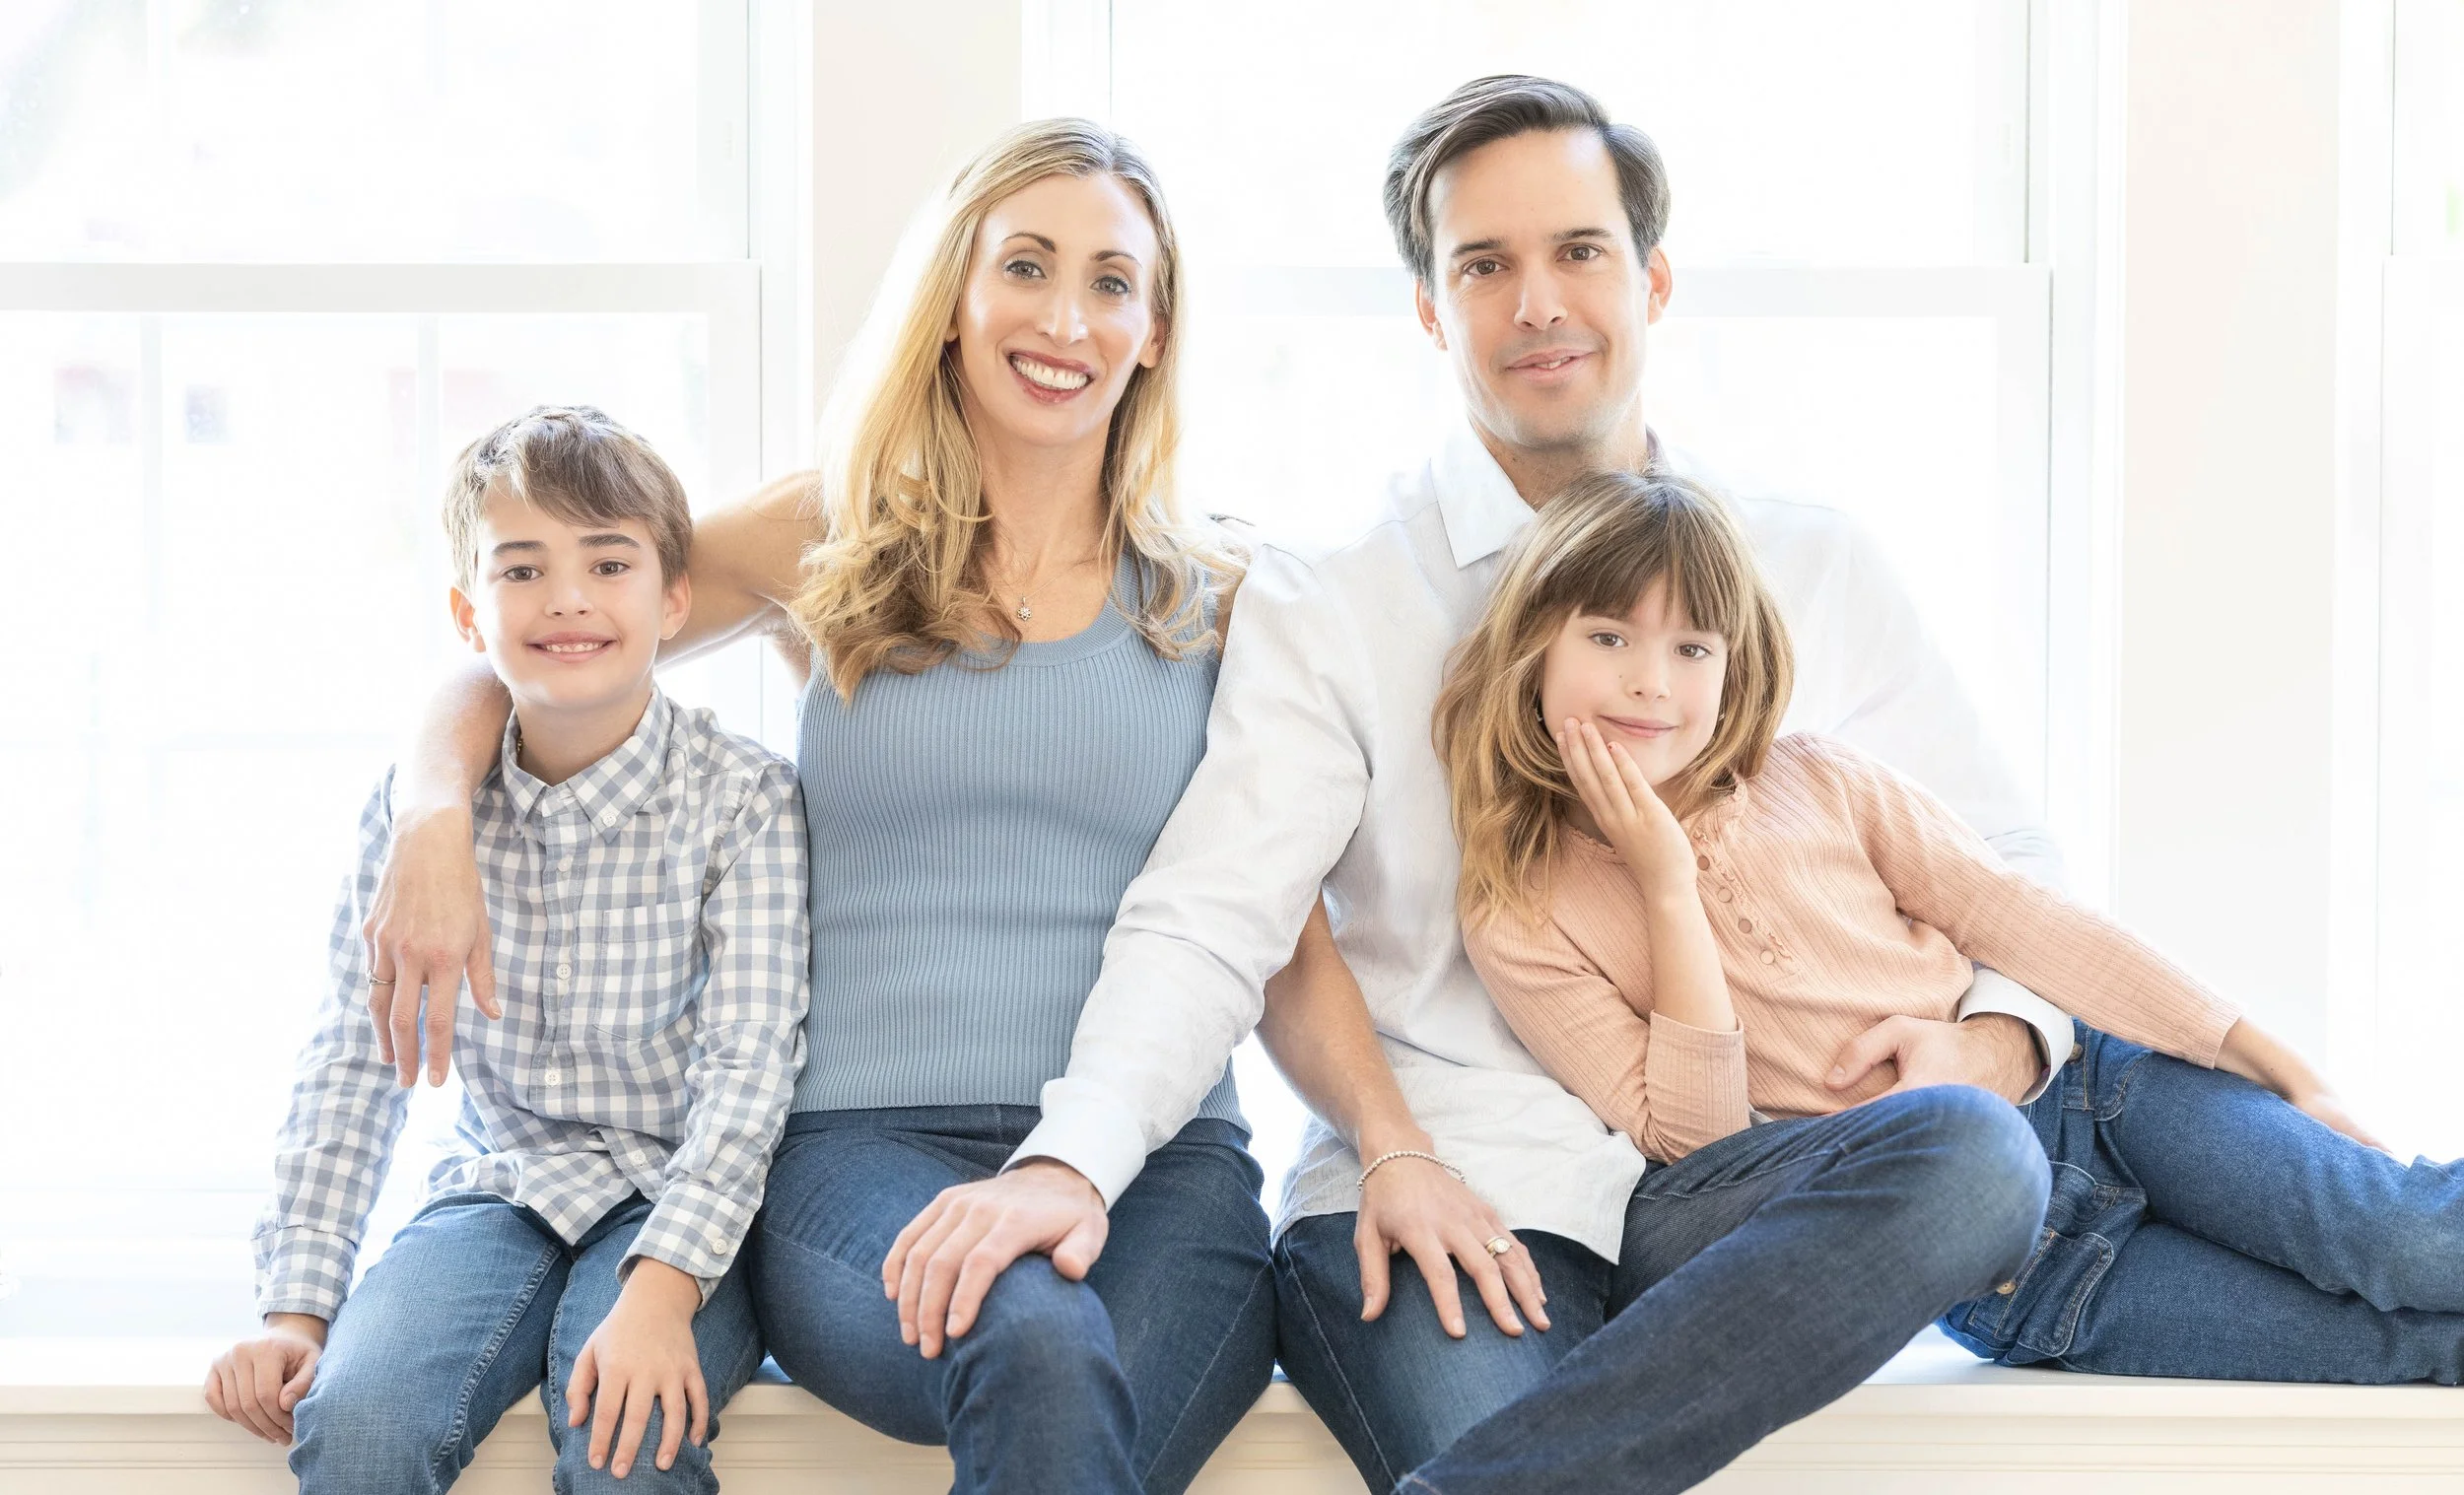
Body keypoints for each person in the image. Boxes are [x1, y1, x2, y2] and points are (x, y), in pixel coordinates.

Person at [904, 76, 2068, 1495]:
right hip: (1449, 1199)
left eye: (1578, 251)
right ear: (1427, 308)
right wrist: (1072, 1160)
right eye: (1483, 265)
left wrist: (1994, 1053)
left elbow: (2008, 861)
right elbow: (1212, 920)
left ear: (1651, 279)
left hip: (1728, 1190)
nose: (1537, 303)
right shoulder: (1333, 598)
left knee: (1974, 1153)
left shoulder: (1809, 563)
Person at [364, 120, 1291, 1493]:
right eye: (1024, 266)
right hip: (858, 1155)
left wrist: (1390, 1145)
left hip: (1162, 1166)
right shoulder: (833, 536)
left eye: (1111, 281)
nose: (1064, 316)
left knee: (1063, 1397)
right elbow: (544, 639)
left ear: (1154, 330)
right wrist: (433, 819)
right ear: (955, 305)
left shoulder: (1222, 596)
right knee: (1033, 1343)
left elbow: (1284, 928)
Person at [1450, 465, 2464, 1387]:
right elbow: (1701, 1143)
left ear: (1733, 662)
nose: (1650, 681)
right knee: (2407, 1346)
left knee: (2405, 1239)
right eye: (1609, 635)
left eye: (1690, 646)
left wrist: (2278, 1061)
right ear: (1533, 642)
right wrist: (1665, 885)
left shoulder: (1817, 776)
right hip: (2014, 1274)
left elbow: (2022, 918)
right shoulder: (1518, 909)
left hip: (2098, 1097)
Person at [202, 406, 811, 1492]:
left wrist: (663, 1291)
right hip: (498, 1184)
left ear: (674, 598)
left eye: (608, 562)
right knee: (359, 1419)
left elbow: (750, 1069)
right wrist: (296, 1306)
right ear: (467, 614)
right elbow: (354, 1058)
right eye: (521, 569)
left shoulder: (745, 800)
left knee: (628, 1440)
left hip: (682, 1205)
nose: (567, 597)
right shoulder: (423, 818)